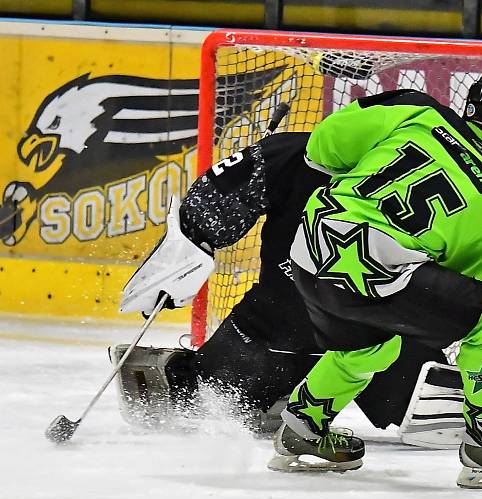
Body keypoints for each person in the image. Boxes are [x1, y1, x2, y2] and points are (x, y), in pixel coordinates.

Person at [273, 69, 482, 489]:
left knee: (370, 348)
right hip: (373, 273)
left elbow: (321, 149)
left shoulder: (416, 110)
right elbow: (458, 293)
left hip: (308, 250)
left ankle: (304, 427)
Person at [117, 130, 446, 435]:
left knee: (441, 420)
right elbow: (210, 199)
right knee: (188, 408)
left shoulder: (297, 153)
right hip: (305, 329)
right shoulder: (296, 155)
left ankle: (289, 387)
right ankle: (289, 387)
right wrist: (183, 254)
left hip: (310, 330)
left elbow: (208, 203)